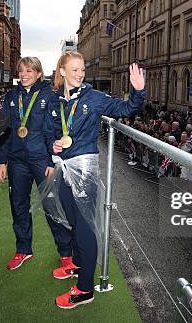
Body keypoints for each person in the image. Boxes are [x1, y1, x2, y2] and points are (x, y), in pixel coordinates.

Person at [42, 52, 145, 309]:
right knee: (73, 220)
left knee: (85, 226)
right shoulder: (55, 100)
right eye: (74, 70)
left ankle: (85, 289)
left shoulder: (94, 98)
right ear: (62, 71)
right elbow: (48, 131)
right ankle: (78, 264)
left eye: (82, 70)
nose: (80, 74)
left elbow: (125, 109)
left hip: (84, 171)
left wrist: (138, 92)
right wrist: (52, 146)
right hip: (63, 167)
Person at [0, 57, 72, 270]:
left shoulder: (49, 96)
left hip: (41, 161)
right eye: (21, 71)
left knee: (52, 206)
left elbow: (55, 131)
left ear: (39, 73)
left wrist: (51, 161)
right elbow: (5, 131)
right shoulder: (11, 96)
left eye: (29, 71)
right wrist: (2, 160)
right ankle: (23, 250)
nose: (24, 74)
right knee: (18, 206)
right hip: (17, 160)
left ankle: (66, 253)